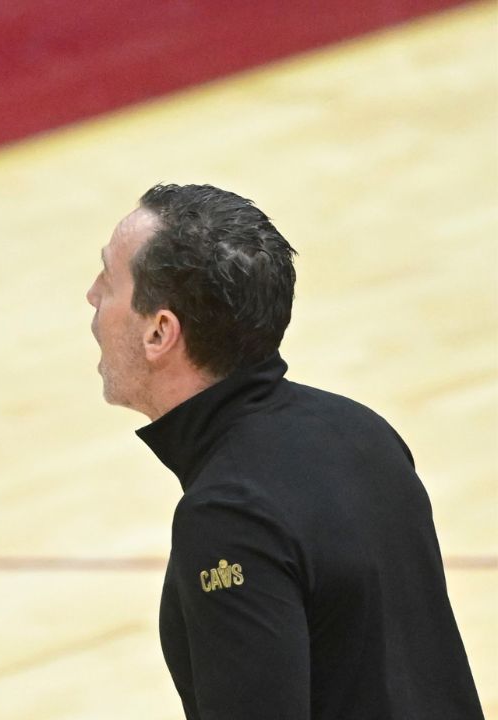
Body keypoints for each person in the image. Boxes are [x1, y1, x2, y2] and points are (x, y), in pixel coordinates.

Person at [85, 183, 483, 719]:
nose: (92, 294)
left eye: (109, 280)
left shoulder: (229, 514)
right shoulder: (360, 429)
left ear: (160, 332)